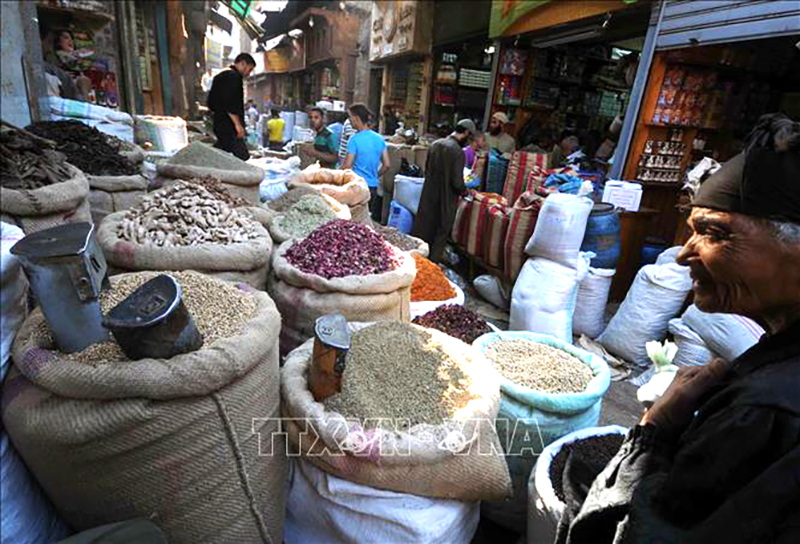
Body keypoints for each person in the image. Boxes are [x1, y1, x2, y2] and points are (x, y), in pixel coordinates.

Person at [559, 113, 800, 543]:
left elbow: (644, 533)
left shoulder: (765, 413)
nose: (683, 255)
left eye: (714, 233)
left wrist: (653, 432)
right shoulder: (774, 363)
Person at [412, 119, 477, 262]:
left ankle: (417, 260)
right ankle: (431, 266)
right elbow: (457, 182)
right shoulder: (458, 152)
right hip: (446, 200)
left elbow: (427, 170)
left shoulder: (435, 145)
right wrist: (466, 192)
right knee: (440, 233)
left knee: (423, 229)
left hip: (428, 196)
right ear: (465, 133)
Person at [342, 104, 391, 222]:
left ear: (357, 118)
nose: (349, 121)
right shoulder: (379, 139)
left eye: (350, 118)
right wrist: (375, 176)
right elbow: (387, 165)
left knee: (352, 221)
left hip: (357, 186)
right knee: (366, 220)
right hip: (372, 186)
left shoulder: (354, 140)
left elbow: (347, 166)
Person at [206, 53, 256, 161]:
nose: (249, 73)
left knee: (221, 150)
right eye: (249, 69)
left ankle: (205, 164)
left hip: (219, 122)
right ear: (243, 64)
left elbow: (211, 103)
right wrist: (238, 125)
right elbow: (230, 103)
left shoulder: (220, 76)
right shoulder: (234, 77)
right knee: (243, 156)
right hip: (229, 126)